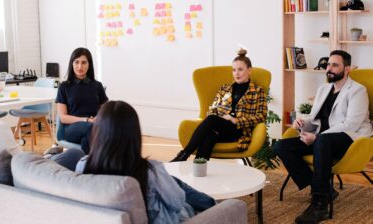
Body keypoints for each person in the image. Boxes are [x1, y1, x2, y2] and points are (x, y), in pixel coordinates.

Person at [75, 101, 216, 223]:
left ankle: (209, 203)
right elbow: (177, 202)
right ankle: (215, 207)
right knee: (180, 191)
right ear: (133, 134)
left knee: (171, 180)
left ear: (98, 131)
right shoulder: (149, 170)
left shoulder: (83, 165)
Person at [273, 50, 372, 224]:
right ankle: (324, 189)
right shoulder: (323, 89)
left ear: (347, 69)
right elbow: (315, 118)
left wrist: (317, 138)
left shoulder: (357, 91)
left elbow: (351, 124)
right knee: (281, 146)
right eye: (328, 64)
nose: (329, 68)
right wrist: (303, 123)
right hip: (323, 140)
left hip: (349, 139)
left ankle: (320, 205)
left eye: (335, 65)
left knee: (323, 141)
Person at [171, 49, 267, 161]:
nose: (236, 73)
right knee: (210, 136)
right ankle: (199, 168)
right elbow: (213, 109)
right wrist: (221, 118)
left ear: (249, 70)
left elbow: (262, 116)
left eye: (240, 69)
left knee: (211, 120)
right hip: (220, 126)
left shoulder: (257, 91)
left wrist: (236, 120)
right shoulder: (225, 88)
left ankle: (183, 154)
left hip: (239, 130)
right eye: (234, 70)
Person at [56, 47, 108, 154]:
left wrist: (98, 118)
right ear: (72, 64)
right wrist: (86, 120)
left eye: (84, 62)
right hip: (71, 129)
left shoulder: (97, 86)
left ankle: (86, 166)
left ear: (89, 65)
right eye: (77, 62)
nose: (80, 66)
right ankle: (99, 164)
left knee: (87, 139)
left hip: (93, 126)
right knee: (92, 129)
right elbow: (63, 118)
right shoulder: (64, 86)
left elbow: (106, 110)